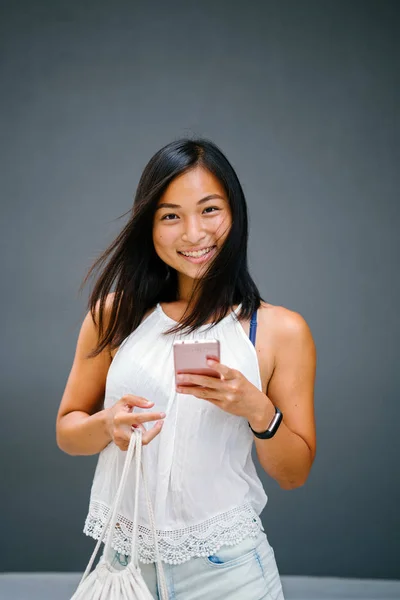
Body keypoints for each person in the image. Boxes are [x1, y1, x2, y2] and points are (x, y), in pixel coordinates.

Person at [56, 138, 316, 600]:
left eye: (210, 209)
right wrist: (107, 424)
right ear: (150, 227)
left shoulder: (278, 330)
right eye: (171, 215)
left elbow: (294, 474)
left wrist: (259, 410)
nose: (194, 233)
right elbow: (68, 430)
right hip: (126, 565)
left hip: (229, 572)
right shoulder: (114, 315)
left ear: (235, 214)